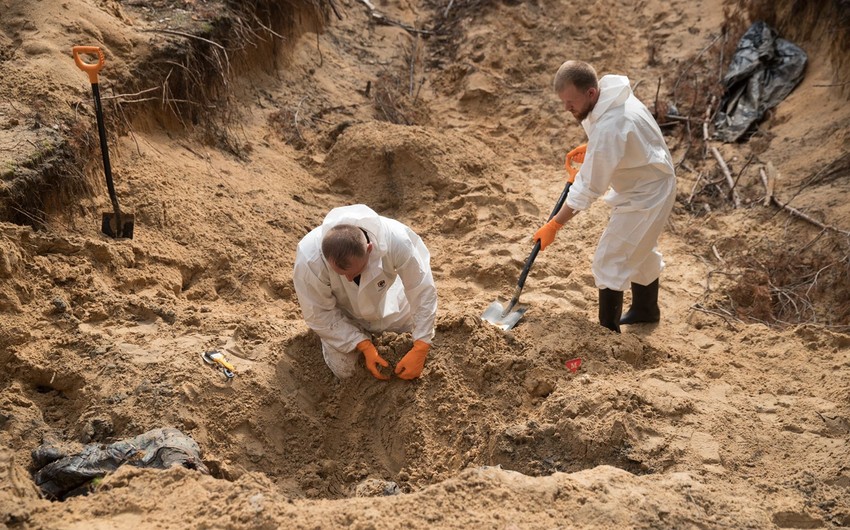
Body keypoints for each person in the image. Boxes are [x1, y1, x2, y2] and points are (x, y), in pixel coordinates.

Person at [533, 60, 676, 333]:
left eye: (570, 102)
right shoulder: (611, 97)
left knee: (609, 260)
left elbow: (589, 189)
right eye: (563, 102)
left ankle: (607, 333)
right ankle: (646, 310)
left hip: (648, 193)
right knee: (640, 249)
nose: (566, 108)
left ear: (590, 93)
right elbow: (625, 137)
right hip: (644, 181)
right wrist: (594, 147)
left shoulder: (611, 124)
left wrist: (555, 224)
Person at [293, 204, 437, 380]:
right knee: (347, 372)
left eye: (353, 272)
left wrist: (421, 346)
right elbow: (319, 312)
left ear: (369, 249)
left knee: (425, 347)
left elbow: (422, 290)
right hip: (344, 315)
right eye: (341, 274)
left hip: (392, 304)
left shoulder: (397, 241)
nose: (347, 279)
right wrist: (362, 344)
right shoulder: (310, 259)